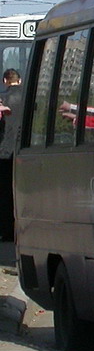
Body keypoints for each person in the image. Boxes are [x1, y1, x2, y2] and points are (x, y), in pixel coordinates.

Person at [0, 69, 23, 240]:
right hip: (24, 150)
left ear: (4, 81)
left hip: (4, 152)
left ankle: (7, 231)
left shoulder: (2, 100)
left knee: (5, 193)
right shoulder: (29, 97)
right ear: (20, 81)